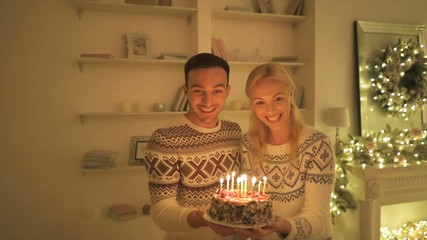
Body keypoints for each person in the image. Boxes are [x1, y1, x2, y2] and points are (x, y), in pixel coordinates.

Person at [144, 53, 243, 240]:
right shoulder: (165, 139)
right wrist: (204, 219)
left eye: (217, 90)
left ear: (227, 91)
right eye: (199, 91)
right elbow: (161, 210)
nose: (208, 101)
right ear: (186, 90)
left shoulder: (234, 132)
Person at [236, 63, 335, 240]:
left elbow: (318, 218)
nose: (270, 109)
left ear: (291, 94)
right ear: (252, 104)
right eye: (260, 102)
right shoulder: (247, 144)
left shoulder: (316, 145)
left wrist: (284, 225)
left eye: (278, 99)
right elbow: (250, 207)